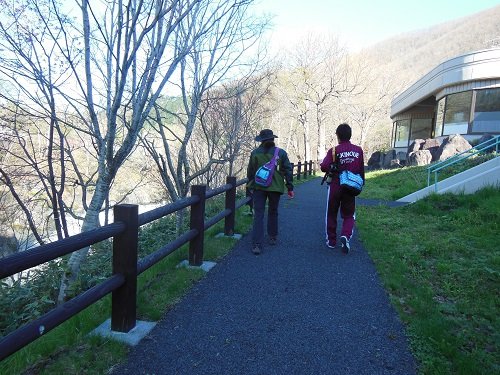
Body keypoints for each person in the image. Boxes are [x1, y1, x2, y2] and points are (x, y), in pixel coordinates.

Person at [247, 129, 294, 255]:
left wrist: (250, 185)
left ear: (261, 141)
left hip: (258, 187)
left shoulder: (255, 153)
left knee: (259, 214)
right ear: (273, 139)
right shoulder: (281, 153)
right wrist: (290, 188)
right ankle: (272, 236)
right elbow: (288, 170)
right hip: (276, 188)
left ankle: (257, 244)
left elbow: (251, 172)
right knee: (273, 211)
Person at [320, 123, 365, 254]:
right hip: (350, 187)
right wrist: (361, 183)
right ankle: (345, 235)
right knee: (349, 214)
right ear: (350, 135)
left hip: (335, 185)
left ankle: (331, 241)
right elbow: (361, 168)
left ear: (338, 136)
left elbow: (324, 166)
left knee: (331, 213)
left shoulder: (334, 150)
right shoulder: (358, 150)